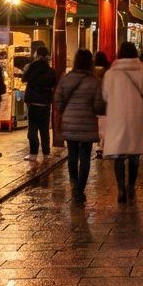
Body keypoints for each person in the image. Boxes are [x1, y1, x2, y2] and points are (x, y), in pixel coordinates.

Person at [103, 42, 143, 203]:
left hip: (117, 114)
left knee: (119, 154)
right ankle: (131, 186)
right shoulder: (142, 71)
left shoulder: (111, 73)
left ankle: (120, 189)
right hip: (136, 114)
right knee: (134, 153)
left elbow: (105, 96)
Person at [55, 49, 101, 204]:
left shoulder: (66, 79)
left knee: (72, 154)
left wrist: (65, 111)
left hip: (69, 121)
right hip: (87, 122)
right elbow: (98, 105)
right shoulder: (94, 81)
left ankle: (74, 184)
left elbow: (58, 100)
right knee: (85, 156)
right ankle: (80, 189)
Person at [22, 46, 58, 158]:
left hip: (33, 102)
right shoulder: (50, 70)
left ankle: (33, 152)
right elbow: (54, 83)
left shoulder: (31, 67)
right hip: (45, 103)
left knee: (32, 128)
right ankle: (46, 152)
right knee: (44, 128)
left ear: (37, 55)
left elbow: (24, 79)